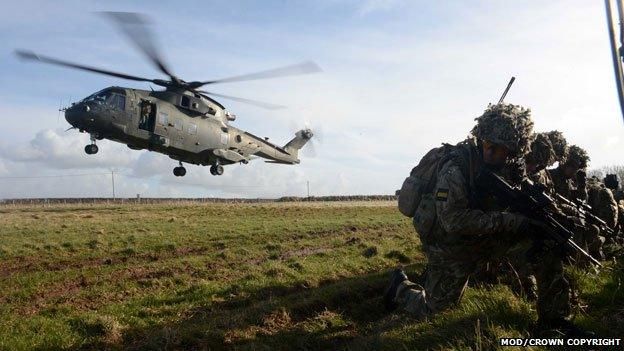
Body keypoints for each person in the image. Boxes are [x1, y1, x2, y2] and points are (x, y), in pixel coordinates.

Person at [385, 103, 591, 336]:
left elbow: (524, 191)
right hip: (451, 244)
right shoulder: (457, 168)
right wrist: (510, 221)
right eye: (487, 145)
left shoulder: (514, 167)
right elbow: (453, 220)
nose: (490, 153)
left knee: (545, 247)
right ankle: (400, 288)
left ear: (513, 152)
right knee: (436, 310)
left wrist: (550, 213)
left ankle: (554, 320)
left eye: (499, 150)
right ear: (481, 137)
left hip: (487, 237)